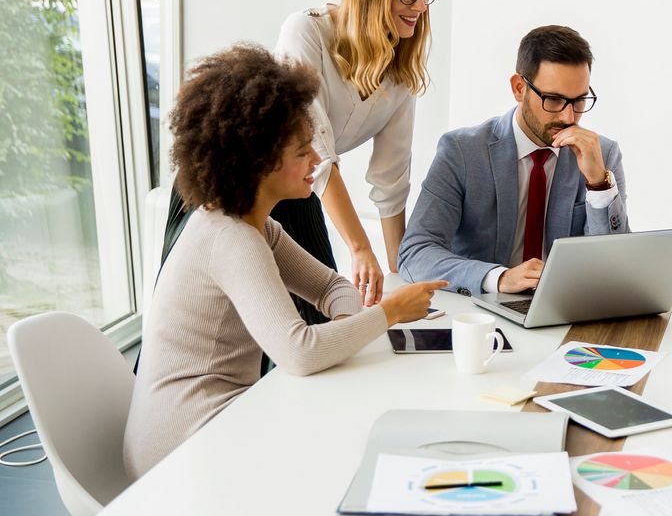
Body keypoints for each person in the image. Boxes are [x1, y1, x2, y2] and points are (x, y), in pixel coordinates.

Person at [124, 45, 445, 479]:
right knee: (342, 449)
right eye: (301, 152)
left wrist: (349, 325)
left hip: (223, 420)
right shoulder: (230, 238)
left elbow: (332, 288)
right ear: (258, 160)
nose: (317, 160)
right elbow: (298, 351)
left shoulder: (256, 226)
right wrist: (388, 313)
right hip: (183, 449)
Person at [273, 0, 440, 318]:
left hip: (298, 193)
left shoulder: (401, 70)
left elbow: (390, 180)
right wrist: (361, 249)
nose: (419, 5)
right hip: (236, 192)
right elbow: (317, 150)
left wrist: (401, 276)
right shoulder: (306, 31)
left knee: (321, 320)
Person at [398, 25, 628, 295]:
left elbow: (615, 268)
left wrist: (598, 185)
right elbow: (415, 252)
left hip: (563, 312)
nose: (568, 117)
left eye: (579, 101)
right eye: (553, 100)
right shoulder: (462, 152)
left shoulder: (602, 155)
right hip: (483, 313)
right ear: (519, 88)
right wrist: (498, 278)